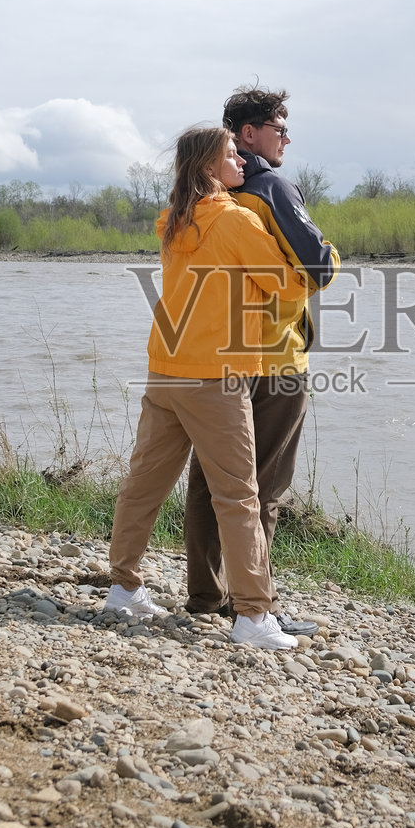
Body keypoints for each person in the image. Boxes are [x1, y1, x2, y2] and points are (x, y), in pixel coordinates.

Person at [104, 125, 311, 650]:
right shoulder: (237, 220)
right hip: (216, 378)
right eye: (231, 156)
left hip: (165, 369)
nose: (241, 161)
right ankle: (253, 617)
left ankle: (124, 587)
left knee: (144, 484)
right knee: (239, 496)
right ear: (208, 168)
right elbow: (291, 283)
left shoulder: (171, 222)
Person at [182, 87, 339, 634]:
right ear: (249, 134)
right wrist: (331, 250)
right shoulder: (271, 185)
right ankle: (256, 602)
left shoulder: (206, 194)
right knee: (264, 485)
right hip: (274, 358)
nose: (286, 138)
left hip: (215, 353)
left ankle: (205, 593)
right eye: (279, 127)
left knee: (210, 478)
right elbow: (318, 267)